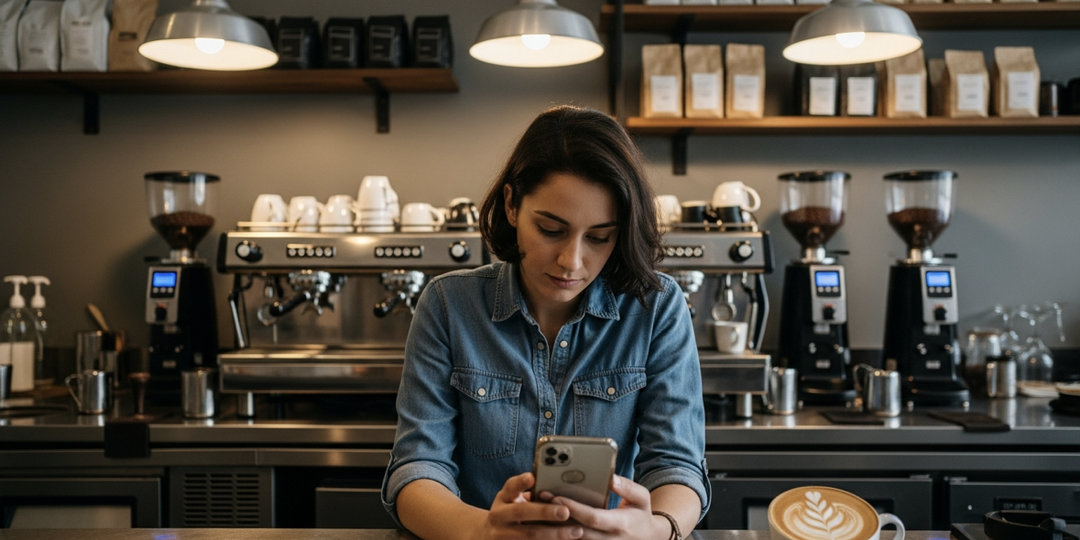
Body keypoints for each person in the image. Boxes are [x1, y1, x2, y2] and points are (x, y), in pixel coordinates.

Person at [381, 105, 710, 540]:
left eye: (599, 237)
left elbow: (677, 465)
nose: (572, 261)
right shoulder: (448, 304)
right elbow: (417, 468)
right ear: (513, 205)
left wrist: (657, 529)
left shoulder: (657, 307)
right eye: (551, 229)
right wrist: (486, 531)